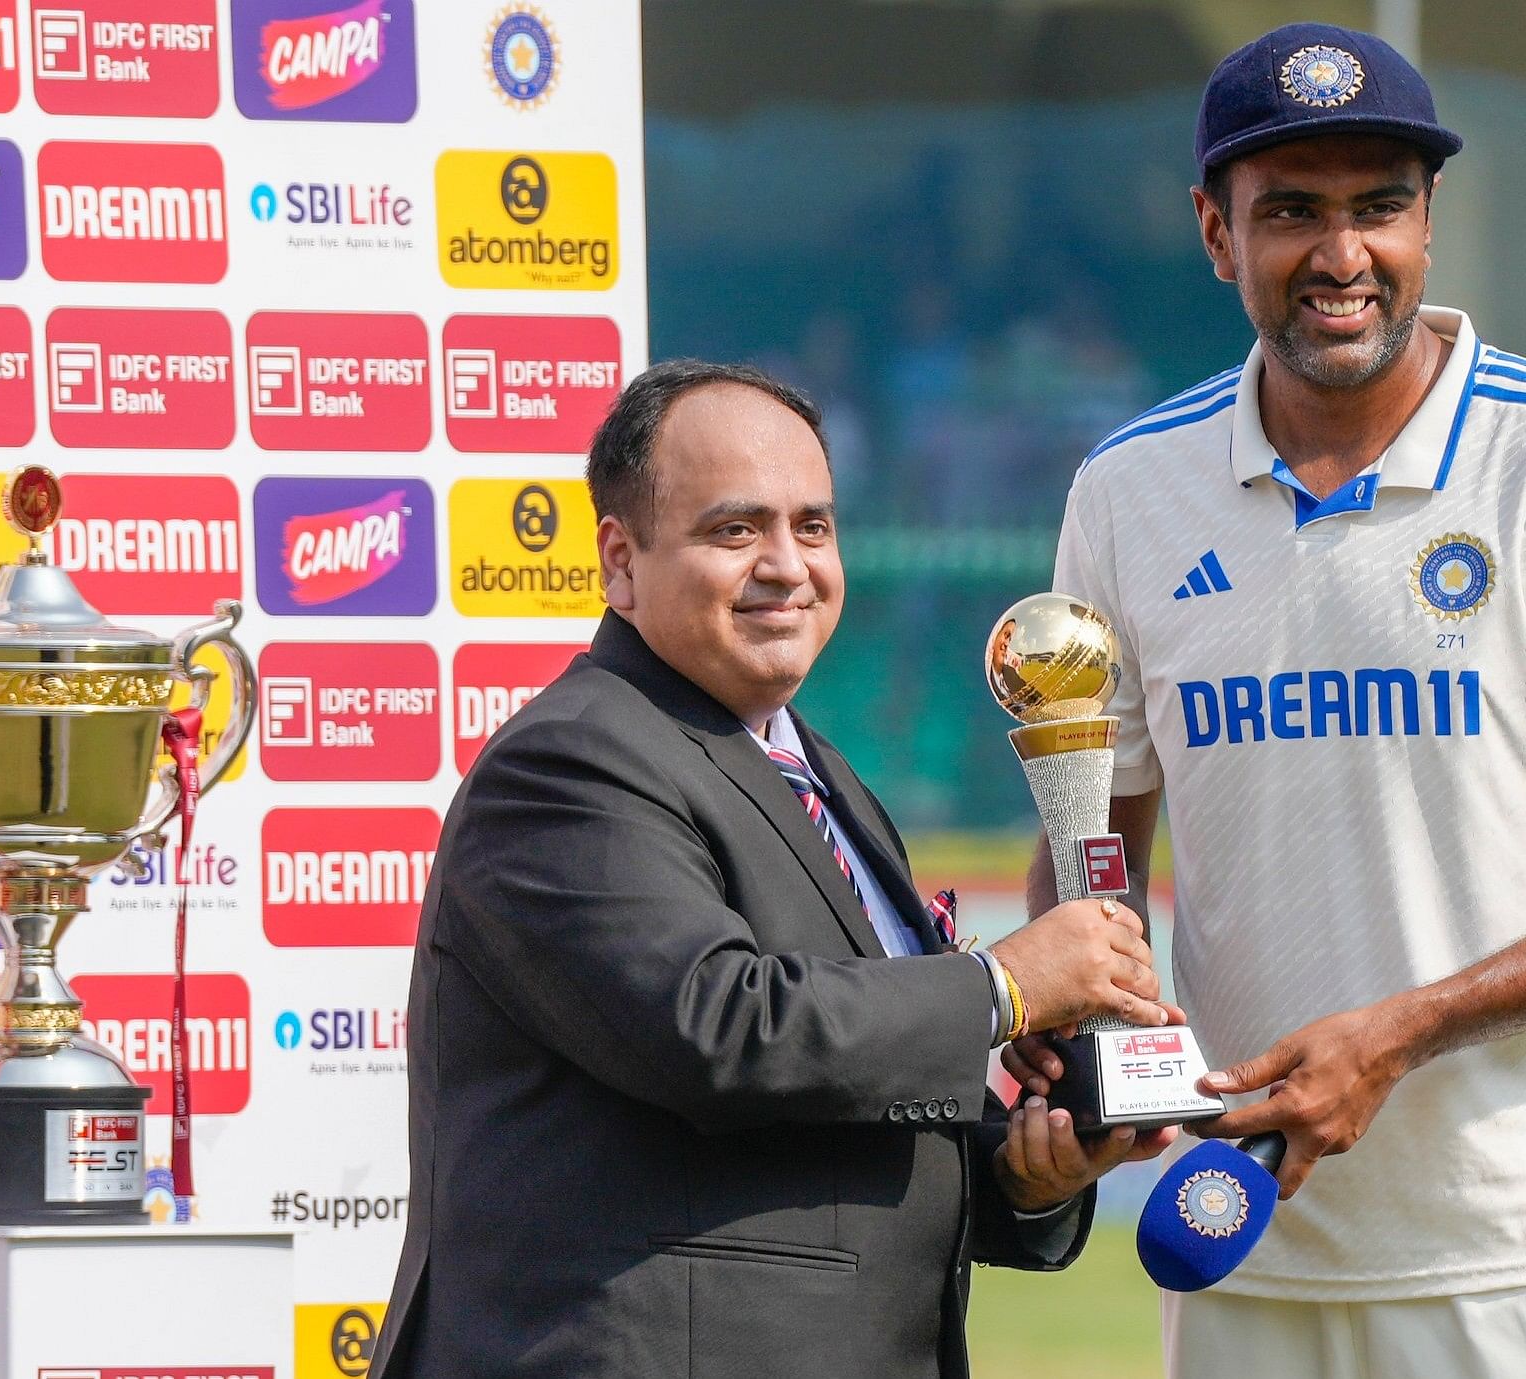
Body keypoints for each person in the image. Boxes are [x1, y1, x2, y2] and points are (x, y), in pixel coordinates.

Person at [1007, 24, 1526, 1377]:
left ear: (1427, 221)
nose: (1341, 254)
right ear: (1211, 230)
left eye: (1379, 205)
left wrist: (1401, 1030)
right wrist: (1092, 1039)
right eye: (1289, 209)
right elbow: (1091, 847)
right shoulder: (1127, 488)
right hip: (1244, 1232)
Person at [375, 360, 1176, 1379]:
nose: (788, 564)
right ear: (620, 561)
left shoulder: (813, 767)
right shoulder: (570, 761)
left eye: (814, 525)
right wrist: (1004, 984)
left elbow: (851, 1106)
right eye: (735, 529)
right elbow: (723, 1025)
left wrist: (1028, 1167)